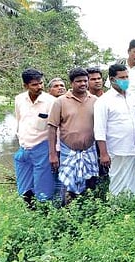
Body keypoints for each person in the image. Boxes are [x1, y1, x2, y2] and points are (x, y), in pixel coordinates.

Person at [48, 67, 99, 204]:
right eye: (78, 81)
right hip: (68, 152)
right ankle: (69, 218)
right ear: (71, 83)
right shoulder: (60, 102)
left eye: (85, 81)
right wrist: (52, 154)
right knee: (68, 186)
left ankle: (89, 215)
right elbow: (52, 128)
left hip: (90, 151)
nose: (83, 84)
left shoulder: (95, 100)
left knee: (91, 185)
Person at [94, 64, 135, 195]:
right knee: (118, 184)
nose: (126, 80)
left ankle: (133, 210)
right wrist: (103, 154)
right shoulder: (104, 101)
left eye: (127, 77)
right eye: (122, 77)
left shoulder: (133, 96)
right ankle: (116, 210)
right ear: (112, 79)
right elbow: (99, 130)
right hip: (117, 149)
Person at [14, 68, 56, 207]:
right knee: (24, 188)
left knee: (43, 189)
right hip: (24, 148)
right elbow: (19, 120)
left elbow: (55, 128)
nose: (39, 87)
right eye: (34, 84)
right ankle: (30, 215)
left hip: (42, 148)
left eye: (41, 83)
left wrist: (53, 152)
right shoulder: (19, 99)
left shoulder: (51, 102)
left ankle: (45, 216)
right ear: (25, 86)